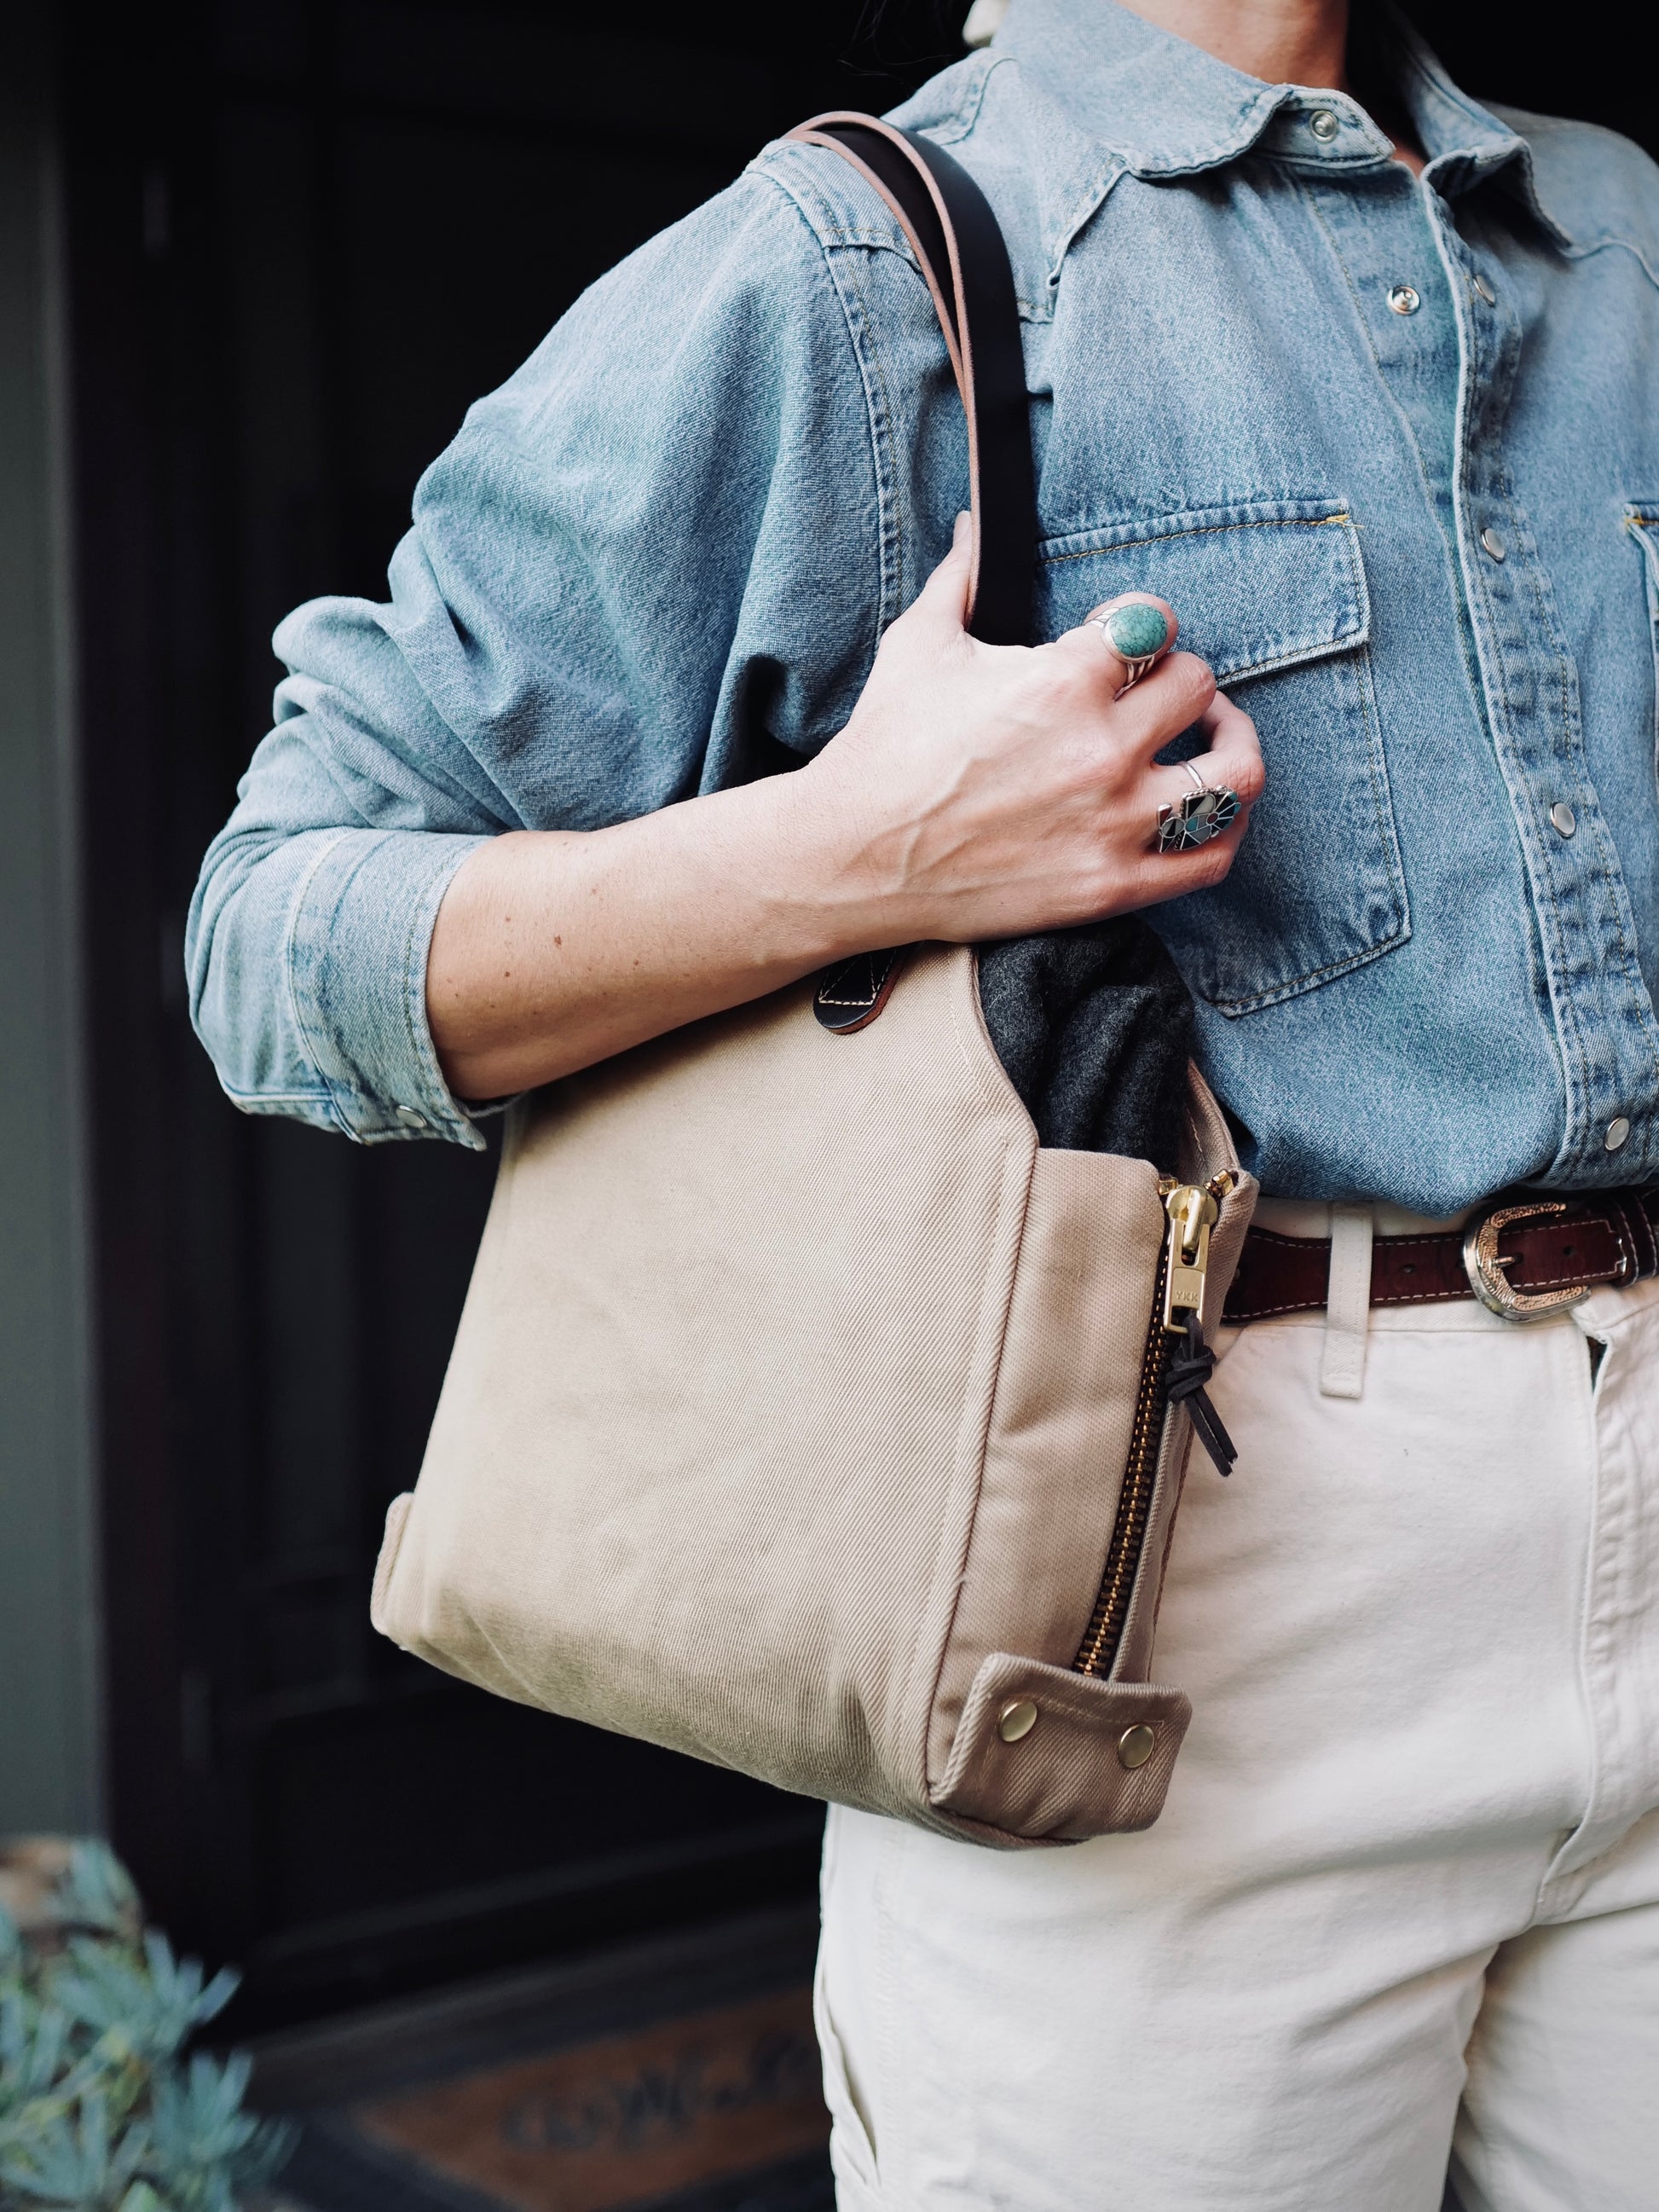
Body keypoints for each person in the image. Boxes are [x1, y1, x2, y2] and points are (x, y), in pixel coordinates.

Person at [189, 0, 1659, 2203]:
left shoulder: (1616, 234)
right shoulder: (857, 263)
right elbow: (273, 932)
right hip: (1168, 1587)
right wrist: (860, 854)